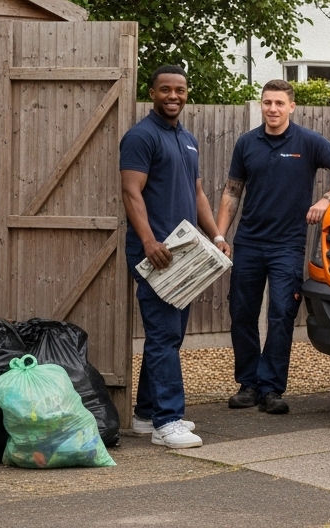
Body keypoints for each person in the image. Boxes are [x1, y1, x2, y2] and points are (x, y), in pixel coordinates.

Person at [216, 79, 330, 414]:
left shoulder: (308, 142)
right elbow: (232, 191)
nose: (272, 109)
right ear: (262, 104)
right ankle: (248, 384)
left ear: (291, 107)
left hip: (287, 246)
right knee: (241, 313)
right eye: (267, 103)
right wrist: (220, 236)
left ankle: (271, 388)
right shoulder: (246, 143)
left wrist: (326, 198)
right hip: (249, 242)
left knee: (281, 315)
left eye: (279, 103)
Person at [120, 65, 230, 449]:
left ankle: (147, 415)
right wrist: (148, 241)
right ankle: (168, 422)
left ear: (186, 94)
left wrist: (215, 234)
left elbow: (197, 192)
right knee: (164, 334)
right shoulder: (140, 137)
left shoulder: (187, 138)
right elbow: (131, 193)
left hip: (184, 253)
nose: (173, 96)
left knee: (170, 335)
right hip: (156, 254)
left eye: (179, 90)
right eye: (165, 90)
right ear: (152, 93)